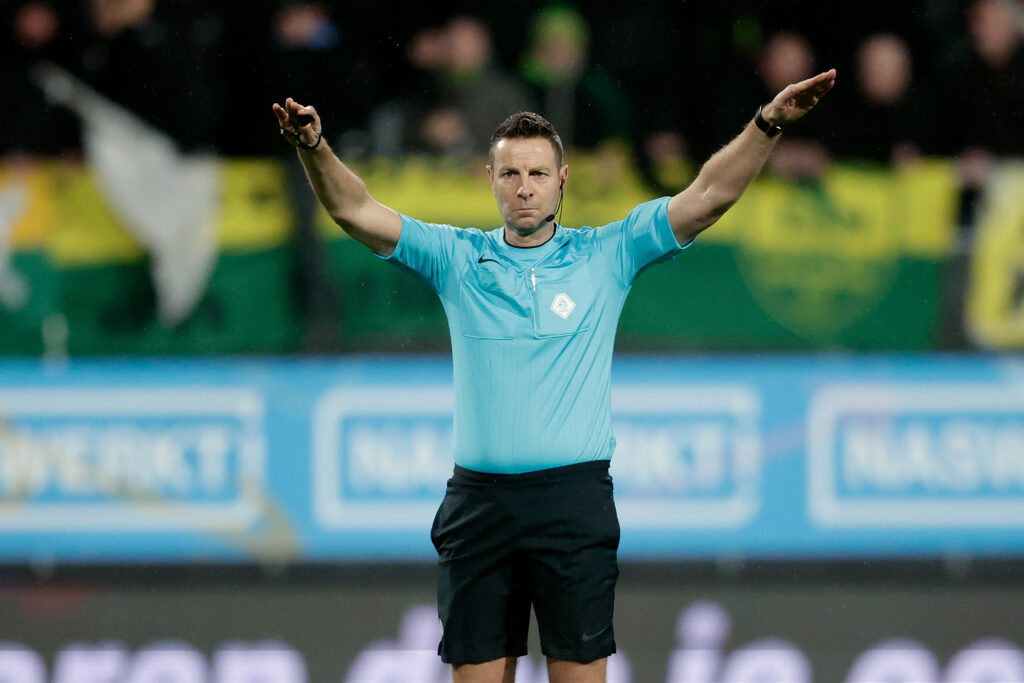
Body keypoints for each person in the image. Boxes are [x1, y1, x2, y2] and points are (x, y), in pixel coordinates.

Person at [272, 66, 835, 683]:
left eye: (538, 174)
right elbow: (352, 208)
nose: (525, 189)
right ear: (490, 180)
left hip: (572, 505)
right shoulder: (456, 258)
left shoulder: (606, 254)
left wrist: (768, 123)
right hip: (479, 507)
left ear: (562, 180)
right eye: (511, 174)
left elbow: (707, 196)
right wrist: (313, 146)